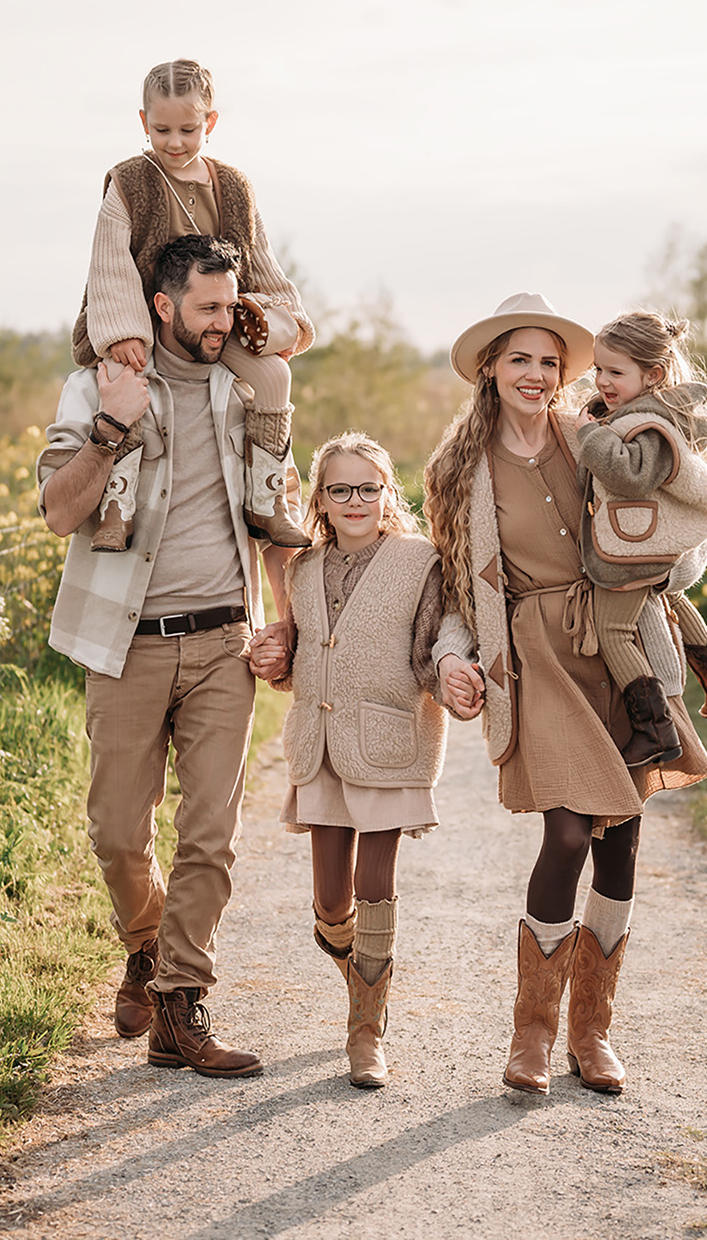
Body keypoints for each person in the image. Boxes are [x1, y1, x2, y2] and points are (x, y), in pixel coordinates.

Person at [422, 292, 707, 1097]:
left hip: (616, 643)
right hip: (534, 656)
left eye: (551, 361)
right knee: (566, 831)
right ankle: (533, 1032)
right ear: (490, 368)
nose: (538, 374)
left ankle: (592, 1031)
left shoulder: (597, 432)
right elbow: (451, 591)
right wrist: (455, 656)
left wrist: (670, 573)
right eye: (520, 358)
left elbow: (672, 519)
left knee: (620, 836)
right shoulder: (459, 470)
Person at [36, 233, 300, 1080]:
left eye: (231, 306)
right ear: (162, 306)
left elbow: (276, 519)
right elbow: (57, 510)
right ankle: (146, 946)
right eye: (208, 307)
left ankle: (181, 1006)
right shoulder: (96, 387)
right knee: (117, 833)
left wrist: (285, 623)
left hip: (225, 640)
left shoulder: (245, 394)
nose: (224, 322)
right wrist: (110, 428)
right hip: (125, 645)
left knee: (210, 833)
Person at [247, 433, 467, 1089]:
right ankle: (362, 967)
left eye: (368, 488)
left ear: (386, 493)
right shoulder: (302, 568)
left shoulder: (418, 561)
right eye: (339, 489)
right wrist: (275, 655)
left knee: (374, 884)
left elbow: (438, 636)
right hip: (320, 747)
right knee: (328, 904)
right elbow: (300, 650)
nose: (355, 500)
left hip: (390, 742)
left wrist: (455, 669)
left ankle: (366, 1027)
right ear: (319, 498)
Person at [70, 57, 315, 553]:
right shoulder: (129, 183)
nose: (175, 141)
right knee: (123, 381)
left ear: (211, 122)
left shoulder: (233, 186)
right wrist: (123, 333)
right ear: (143, 122)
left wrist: (285, 318)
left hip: (211, 323)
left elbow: (258, 256)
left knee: (275, 378)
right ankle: (118, 507)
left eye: (188, 128)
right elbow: (111, 264)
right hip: (145, 321)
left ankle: (266, 502)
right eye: (161, 129)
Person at [574, 310, 707, 768]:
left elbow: (631, 474)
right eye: (598, 369)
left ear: (653, 374)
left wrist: (588, 433)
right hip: (654, 542)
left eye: (615, 372)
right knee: (669, 597)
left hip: (635, 544)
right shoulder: (657, 409)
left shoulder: (650, 420)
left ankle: (654, 730)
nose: (601, 381)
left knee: (612, 629)